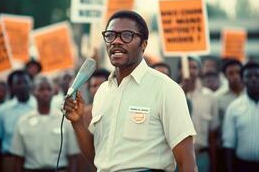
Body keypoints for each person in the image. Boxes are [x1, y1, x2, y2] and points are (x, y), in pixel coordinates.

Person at [63, 10, 197, 172]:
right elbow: (98, 158)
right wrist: (77, 123)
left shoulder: (166, 89)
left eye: (126, 35)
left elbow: (187, 162)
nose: (116, 41)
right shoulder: (103, 91)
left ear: (144, 44)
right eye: (110, 35)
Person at [10, 76, 80, 172]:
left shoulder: (64, 120)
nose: (45, 93)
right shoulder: (23, 122)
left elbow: (73, 157)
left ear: (53, 93)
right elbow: (18, 159)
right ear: (34, 92)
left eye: (49, 89)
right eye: (41, 89)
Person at [180, 56, 219, 172]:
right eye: (187, 67)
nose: (191, 71)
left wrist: (214, 164)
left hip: (202, 157)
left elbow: (212, 135)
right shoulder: (170, 94)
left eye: (194, 67)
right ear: (179, 70)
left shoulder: (210, 97)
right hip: (177, 159)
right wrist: (183, 92)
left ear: (200, 71)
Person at [0, 70, 36, 172]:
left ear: (30, 85)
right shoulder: (3, 110)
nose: (22, 86)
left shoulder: (38, 107)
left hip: (34, 161)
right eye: (18, 83)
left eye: (25, 82)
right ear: (11, 88)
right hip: (9, 160)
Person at [222, 62, 259, 172]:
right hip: (243, 166)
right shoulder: (234, 107)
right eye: (248, 76)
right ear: (243, 80)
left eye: (257, 75)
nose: (253, 79)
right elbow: (228, 144)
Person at [215, 59, 244, 172]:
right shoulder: (217, 98)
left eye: (238, 72)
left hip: (247, 150)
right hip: (225, 151)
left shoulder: (253, 93)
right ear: (225, 76)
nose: (235, 76)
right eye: (231, 73)